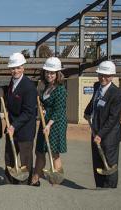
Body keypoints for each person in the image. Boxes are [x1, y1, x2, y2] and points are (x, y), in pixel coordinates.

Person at [84, 61, 121, 189]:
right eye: (101, 74)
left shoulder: (117, 94)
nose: (103, 78)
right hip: (96, 130)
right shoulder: (97, 86)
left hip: (109, 135)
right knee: (97, 161)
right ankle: (99, 187)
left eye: (106, 75)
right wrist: (87, 111)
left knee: (109, 163)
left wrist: (101, 135)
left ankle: (110, 190)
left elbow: (113, 119)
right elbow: (94, 101)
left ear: (112, 76)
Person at [31, 57, 68, 186]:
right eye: (47, 72)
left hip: (56, 124)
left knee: (54, 152)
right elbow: (43, 104)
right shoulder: (46, 87)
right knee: (40, 150)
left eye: (52, 73)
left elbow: (58, 111)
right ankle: (36, 176)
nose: (49, 75)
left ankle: (55, 180)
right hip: (44, 122)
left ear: (58, 74)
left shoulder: (60, 90)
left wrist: (49, 125)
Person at [4, 52, 37, 185]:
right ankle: (9, 183)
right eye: (13, 68)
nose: (15, 70)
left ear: (23, 67)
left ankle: (24, 187)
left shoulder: (29, 86)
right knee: (9, 157)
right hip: (12, 127)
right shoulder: (11, 82)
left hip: (24, 130)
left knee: (25, 160)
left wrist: (13, 126)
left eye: (18, 67)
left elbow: (28, 112)